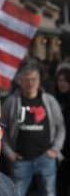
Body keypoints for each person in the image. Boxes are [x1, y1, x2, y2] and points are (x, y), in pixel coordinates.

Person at [1, 65, 65, 196]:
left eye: (34, 79)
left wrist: (56, 149)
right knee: (16, 193)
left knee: (49, 192)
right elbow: (1, 129)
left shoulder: (49, 101)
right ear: (20, 81)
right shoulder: (11, 101)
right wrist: (9, 153)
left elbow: (60, 126)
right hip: (20, 159)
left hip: (45, 158)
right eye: (27, 79)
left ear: (39, 81)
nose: (30, 83)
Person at [53, 68, 70, 196]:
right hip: (58, 149)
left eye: (65, 80)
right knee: (60, 185)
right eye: (60, 80)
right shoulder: (53, 99)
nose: (62, 83)